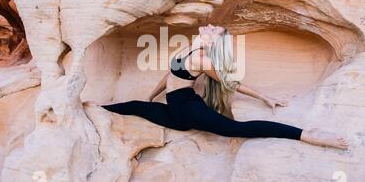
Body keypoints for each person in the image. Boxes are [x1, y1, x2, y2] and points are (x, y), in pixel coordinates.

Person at [101, 24, 349, 149]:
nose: (209, 26)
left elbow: (232, 83)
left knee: (235, 129)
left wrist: (265, 97)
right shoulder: (188, 47)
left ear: (213, 40)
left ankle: (307, 135)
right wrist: (152, 95)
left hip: (188, 109)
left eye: (214, 29)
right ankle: (93, 109)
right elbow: (169, 75)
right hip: (176, 114)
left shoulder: (202, 58)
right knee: (135, 105)